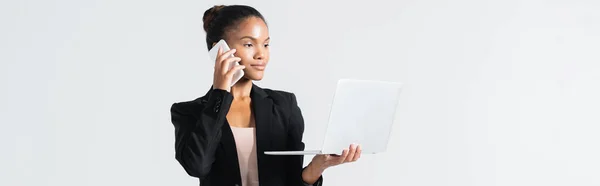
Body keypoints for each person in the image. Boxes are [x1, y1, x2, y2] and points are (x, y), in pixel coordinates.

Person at [170, 4, 362, 186]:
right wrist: (220, 93)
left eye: (266, 44)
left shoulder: (284, 106)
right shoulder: (189, 112)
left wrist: (318, 167)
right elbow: (197, 166)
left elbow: (292, 180)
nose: (261, 54)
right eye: (248, 44)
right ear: (220, 49)